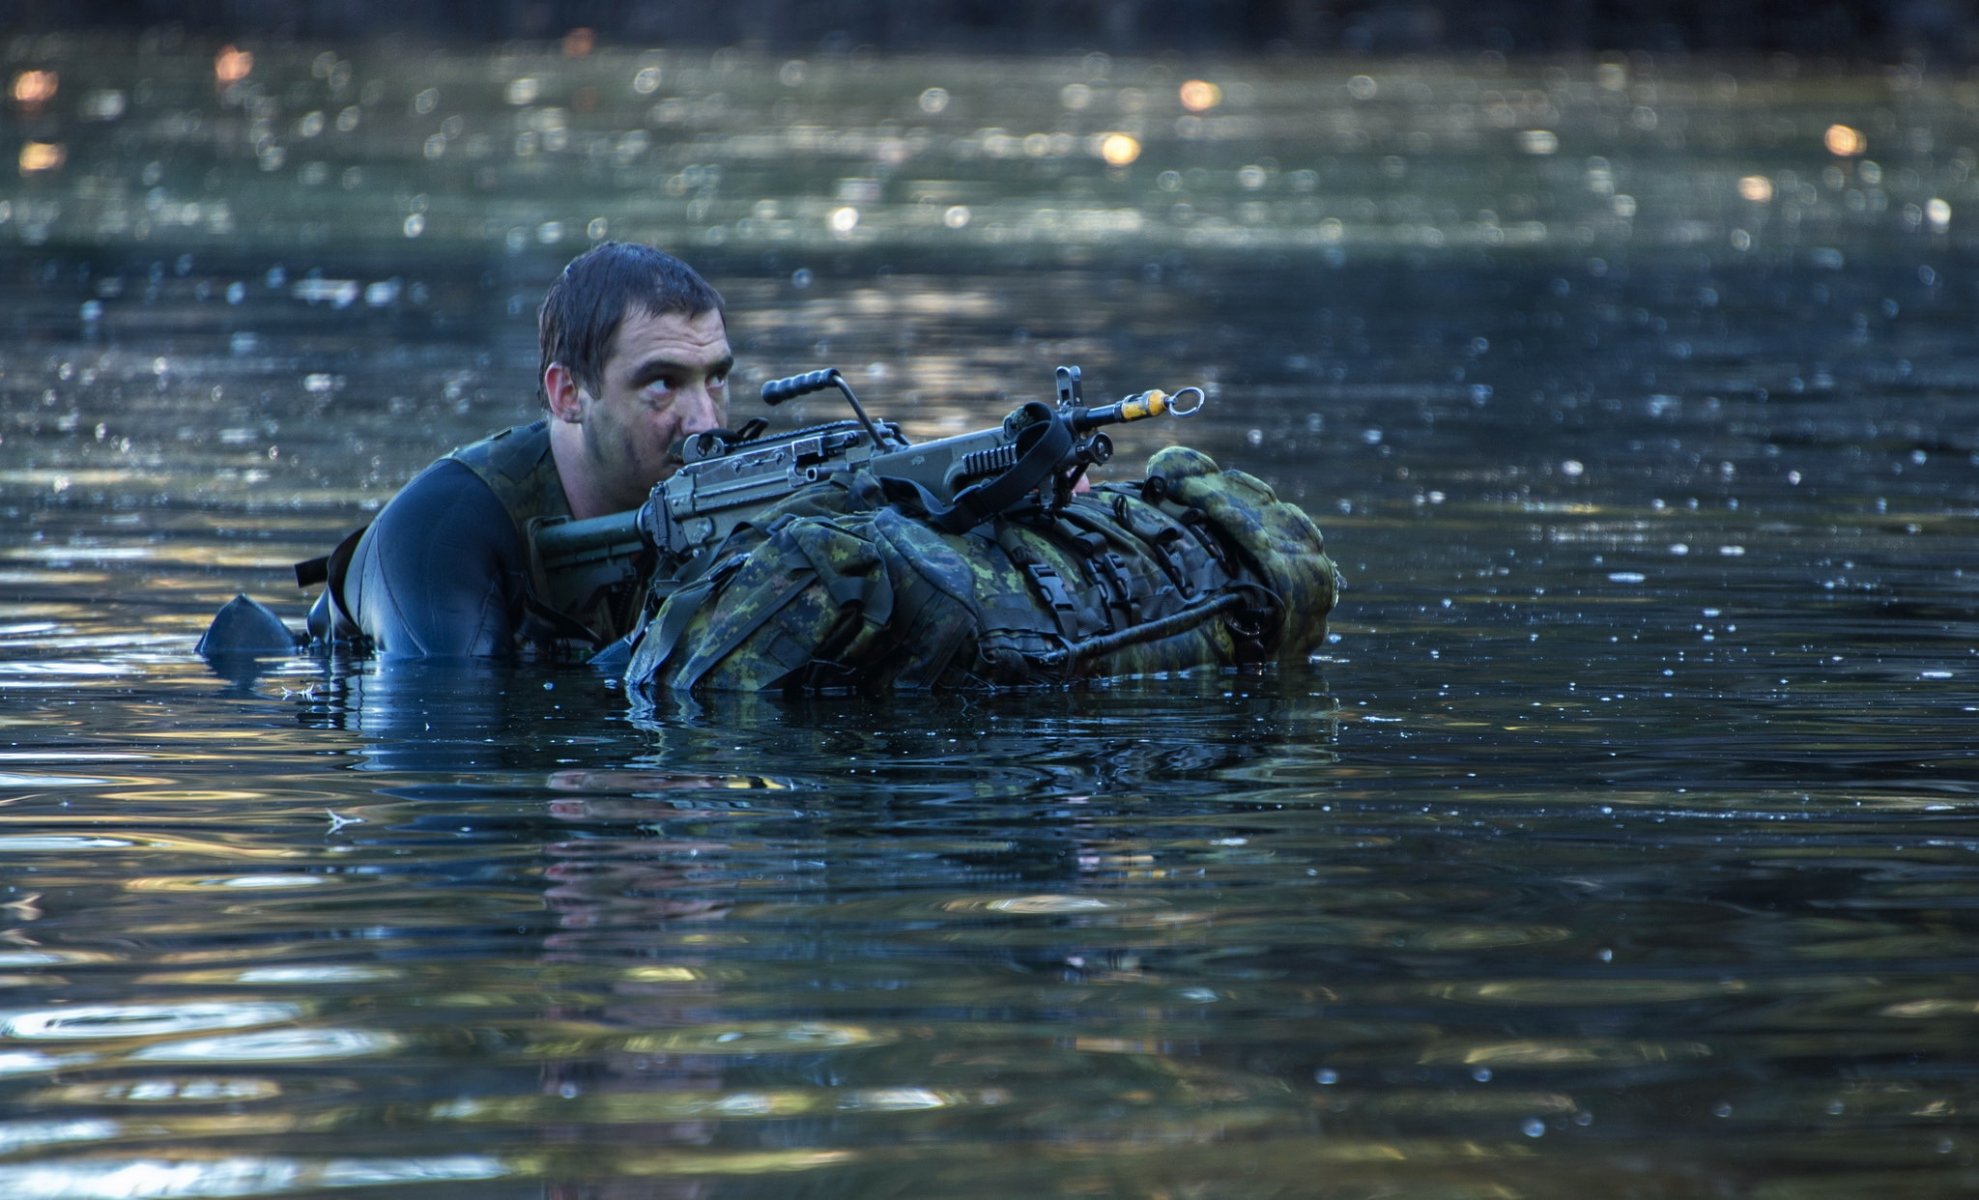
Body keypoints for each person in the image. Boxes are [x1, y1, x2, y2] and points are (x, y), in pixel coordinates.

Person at [306, 242, 732, 659]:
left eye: (715, 378)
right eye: (663, 383)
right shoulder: (439, 532)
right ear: (568, 393)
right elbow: (460, 716)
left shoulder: (731, 505)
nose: (705, 422)